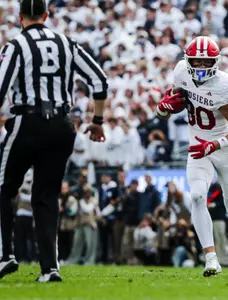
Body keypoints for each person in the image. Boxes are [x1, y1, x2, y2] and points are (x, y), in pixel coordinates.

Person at [0, 0, 107, 282]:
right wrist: (97, 122)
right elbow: (99, 79)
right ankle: (50, 269)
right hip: (62, 124)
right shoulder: (66, 43)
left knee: (3, 186)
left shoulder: (16, 45)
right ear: (47, 15)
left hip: (28, 120)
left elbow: (0, 88)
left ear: (20, 16)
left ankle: (5, 254)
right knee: (46, 197)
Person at [156, 36, 228, 277]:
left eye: (206, 62)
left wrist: (213, 145)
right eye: (197, 62)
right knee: (198, 196)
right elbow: (171, 107)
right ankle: (211, 258)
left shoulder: (225, 85)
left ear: (215, 62)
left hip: (224, 148)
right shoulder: (181, 72)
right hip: (197, 147)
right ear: (188, 61)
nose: (201, 67)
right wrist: (163, 108)